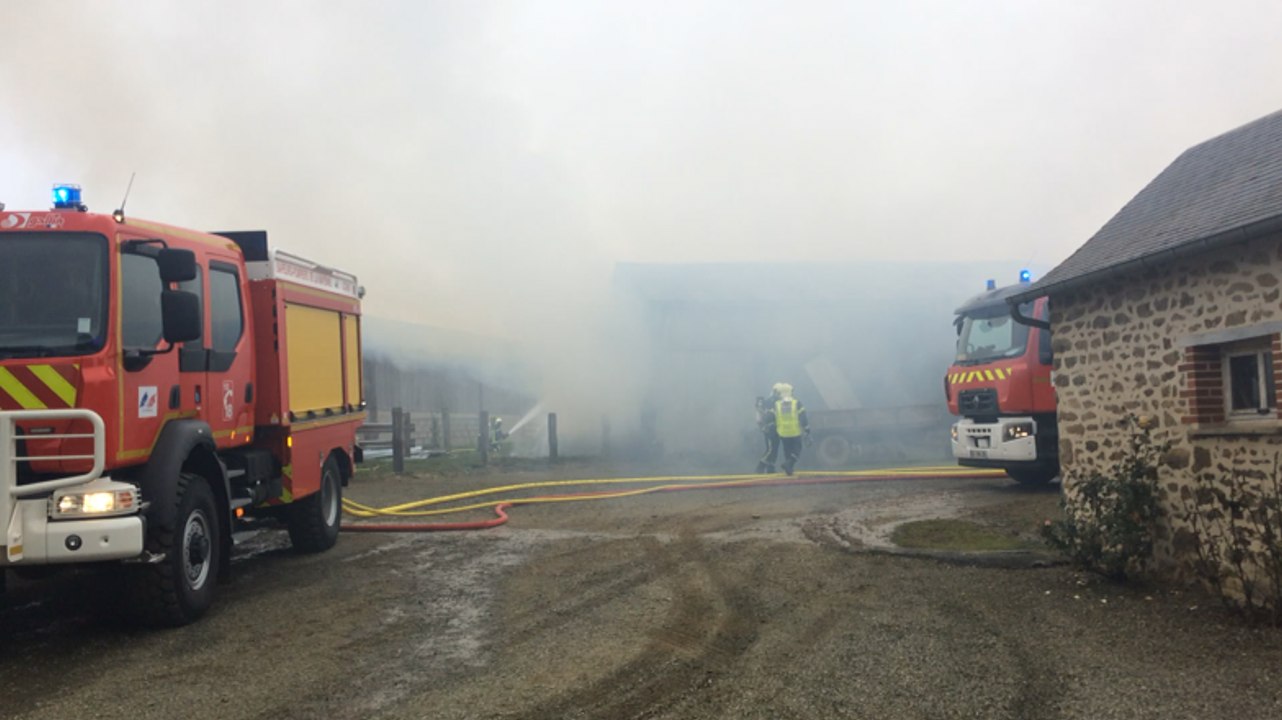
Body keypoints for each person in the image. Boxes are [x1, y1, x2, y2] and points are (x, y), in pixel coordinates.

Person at [771, 382, 810, 475]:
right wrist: (806, 428)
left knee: (787, 451)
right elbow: (803, 416)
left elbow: (771, 417)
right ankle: (788, 464)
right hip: (795, 432)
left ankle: (789, 470)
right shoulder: (796, 403)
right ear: (790, 391)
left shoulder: (776, 404)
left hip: (783, 433)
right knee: (797, 450)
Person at [755, 395, 780, 473]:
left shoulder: (772, 406)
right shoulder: (766, 408)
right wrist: (764, 427)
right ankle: (761, 466)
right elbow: (760, 420)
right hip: (770, 430)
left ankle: (771, 467)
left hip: (776, 429)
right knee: (770, 449)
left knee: (775, 449)